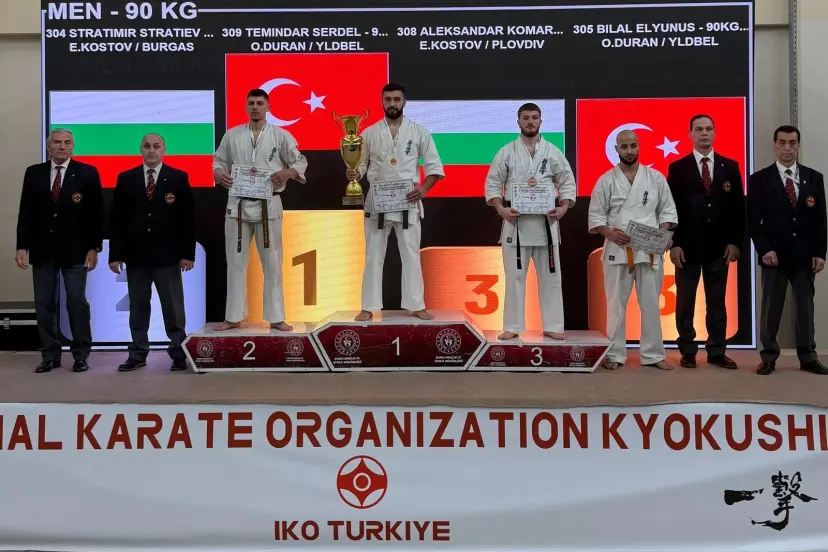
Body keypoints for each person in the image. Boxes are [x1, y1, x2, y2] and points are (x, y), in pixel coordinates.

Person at [212, 88, 308, 331]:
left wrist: (288, 172)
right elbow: (218, 162)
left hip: (269, 204)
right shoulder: (232, 135)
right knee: (235, 263)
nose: (255, 107)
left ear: (268, 107)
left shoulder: (281, 135)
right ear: (246, 107)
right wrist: (219, 174)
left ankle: (276, 317)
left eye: (260, 103)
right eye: (251, 103)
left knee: (273, 263)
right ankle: (233, 316)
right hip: (238, 205)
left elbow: (300, 161)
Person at [348, 82, 445, 322]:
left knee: (411, 254)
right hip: (377, 202)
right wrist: (353, 173)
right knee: (373, 255)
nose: (392, 103)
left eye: (396, 99)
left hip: (407, 201)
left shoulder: (419, 132)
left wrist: (423, 189)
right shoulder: (369, 133)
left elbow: (434, 167)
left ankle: (416, 305)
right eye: (388, 99)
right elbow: (360, 165)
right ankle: (368, 306)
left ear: (404, 102)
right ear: (382, 102)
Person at [587, 129, 678, 371]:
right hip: (618, 249)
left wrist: (659, 236)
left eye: (633, 145)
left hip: (649, 250)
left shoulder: (655, 178)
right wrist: (610, 233)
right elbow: (596, 217)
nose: (629, 151)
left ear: (639, 146)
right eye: (624, 146)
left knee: (651, 304)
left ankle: (653, 354)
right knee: (615, 305)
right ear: (616, 149)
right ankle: (615, 353)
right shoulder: (606, 180)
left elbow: (667, 212)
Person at [484, 102, 576, 339]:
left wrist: (564, 207)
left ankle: (553, 326)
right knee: (514, 278)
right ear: (518, 122)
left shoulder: (553, 152)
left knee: (551, 278)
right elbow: (493, 183)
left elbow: (567, 181)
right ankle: (513, 327)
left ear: (540, 121)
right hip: (515, 224)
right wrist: (501, 209)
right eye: (525, 118)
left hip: (546, 224)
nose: (530, 122)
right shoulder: (506, 152)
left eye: (534, 117)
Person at [15, 128, 103, 373]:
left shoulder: (87, 172)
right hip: (43, 249)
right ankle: (50, 355)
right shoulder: (34, 173)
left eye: (67, 142)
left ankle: (81, 354)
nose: (62, 146)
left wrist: (94, 247)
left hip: (76, 251)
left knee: (76, 302)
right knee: (44, 304)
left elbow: (96, 214)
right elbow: (26, 212)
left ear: (73, 146)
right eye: (57, 142)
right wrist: (22, 246)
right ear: (48, 147)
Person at [109, 133, 195, 372]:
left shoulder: (178, 178)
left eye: (156, 146)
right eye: (147, 146)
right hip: (136, 256)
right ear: (140, 149)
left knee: (173, 307)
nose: (151, 150)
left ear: (164, 149)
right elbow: (117, 220)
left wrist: (187, 254)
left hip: (168, 256)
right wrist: (115, 255)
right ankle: (137, 353)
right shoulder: (126, 178)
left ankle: (178, 353)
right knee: (138, 307)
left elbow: (187, 219)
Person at [748, 125, 828, 375]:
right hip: (774, 256)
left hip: (805, 256)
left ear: (798, 146)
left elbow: (820, 219)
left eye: (792, 143)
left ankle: (808, 357)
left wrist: (820, 252)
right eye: (782, 143)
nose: (787, 148)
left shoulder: (814, 178)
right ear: (774, 145)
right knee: (771, 309)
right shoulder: (759, 179)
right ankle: (768, 357)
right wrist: (764, 250)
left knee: (805, 309)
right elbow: (753, 221)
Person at [667, 114, 744, 369]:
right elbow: (670, 209)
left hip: (719, 249)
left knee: (717, 302)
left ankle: (717, 351)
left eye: (708, 129)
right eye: (698, 129)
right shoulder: (678, 168)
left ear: (714, 133)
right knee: (685, 302)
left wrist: (735, 242)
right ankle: (688, 350)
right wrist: (674, 243)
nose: (704, 133)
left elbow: (738, 209)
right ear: (690, 133)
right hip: (687, 248)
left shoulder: (729, 166)